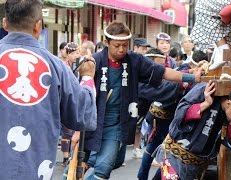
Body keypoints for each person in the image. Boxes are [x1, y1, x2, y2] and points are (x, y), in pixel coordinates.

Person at [69, 21, 203, 180]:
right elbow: (80, 98)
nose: (121, 49)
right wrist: (77, 130)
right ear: (106, 42)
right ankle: (91, 161)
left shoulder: (134, 60)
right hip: (93, 121)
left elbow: (164, 73)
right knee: (91, 167)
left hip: (117, 122)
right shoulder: (93, 62)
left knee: (110, 164)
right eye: (117, 45)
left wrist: (191, 76)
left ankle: (96, 159)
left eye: (125, 45)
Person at [0, 0, 97, 179]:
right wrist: (87, 78)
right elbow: (83, 114)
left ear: (5, 23)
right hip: (36, 170)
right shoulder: (56, 67)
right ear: (38, 26)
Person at [154, 75, 231, 180]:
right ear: (229, 103)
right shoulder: (206, 89)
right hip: (175, 158)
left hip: (195, 167)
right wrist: (205, 104)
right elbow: (179, 115)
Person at [137, 48, 194, 180]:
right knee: (156, 147)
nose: (161, 68)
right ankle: (142, 176)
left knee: (164, 149)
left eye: (163, 65)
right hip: (157, 118)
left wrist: (187, 73)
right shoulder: (142, 79)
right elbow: (164, 87)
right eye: (158, 65)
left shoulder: (169, 70)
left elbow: (172, 78)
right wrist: (185, 80)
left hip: (168, 118)